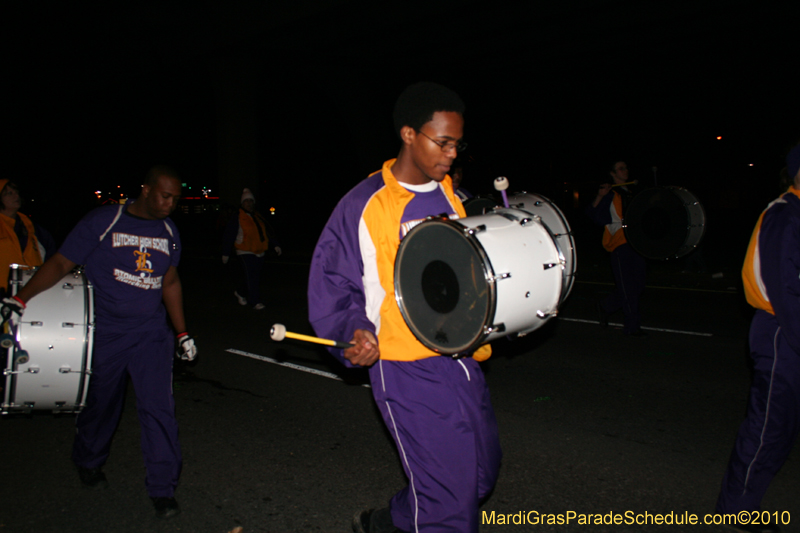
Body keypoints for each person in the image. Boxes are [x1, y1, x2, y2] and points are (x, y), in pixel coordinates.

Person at [308, 82, 501, 533]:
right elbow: (333, 284)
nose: (453, 153)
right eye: (444, 142)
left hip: (463, 361)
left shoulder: (457, 199)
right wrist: (352, 333)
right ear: (410, 134)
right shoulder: (364, 204)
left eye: (458, 143)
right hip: (405, 368)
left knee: (478, 477)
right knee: (452, 508)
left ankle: (388, 522)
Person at [1, 166, 197, 519]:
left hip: (151, 335)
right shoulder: (105, 221)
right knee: (103, 405)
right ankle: (89, 460)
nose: (171, 204)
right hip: (106, 333)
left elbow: (169, 282)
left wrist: (182, 333)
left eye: (176, 198)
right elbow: (61, 261)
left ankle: (163, 488)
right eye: (165, 196)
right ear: (147, 190)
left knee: (160, 410)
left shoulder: (169, 231)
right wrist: (21, 299)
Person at [714, 143, 800, 533]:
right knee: (769, 426)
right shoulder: (785, 215)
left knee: (783, 427)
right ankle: (737, 508)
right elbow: (785, 289)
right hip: (782, 330)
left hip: (787, 327)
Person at [586, 160, 647, 337]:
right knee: (627, 287)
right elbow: (591, 213)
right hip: (620, 243)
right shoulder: (610, 193)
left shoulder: (632, 192)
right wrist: (599, 196)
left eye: (626, 167)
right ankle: (632, 327)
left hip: (637, 243)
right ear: (612, 174)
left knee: (638, 286)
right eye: (621, 169)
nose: (625, 171)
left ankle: (606, 306)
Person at [222, 188, 281, 311]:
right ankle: (255, 301)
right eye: (246, 201)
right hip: (244, 251)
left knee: (252, 276)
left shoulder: (257, 216)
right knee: (252, 277)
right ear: (242, 203)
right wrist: (226, 253)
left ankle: (240, 292)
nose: (249, 203)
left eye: (251, 201)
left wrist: (275, 245)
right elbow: (229, 234)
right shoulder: (237, 217)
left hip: (259, 251)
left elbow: (266, 233)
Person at [0, 179, 55, 295]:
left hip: (31, 294)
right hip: (3, 295)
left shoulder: (33, 228)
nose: (16, 195)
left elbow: (52, 259)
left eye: (16, 192)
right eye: (9, 193)